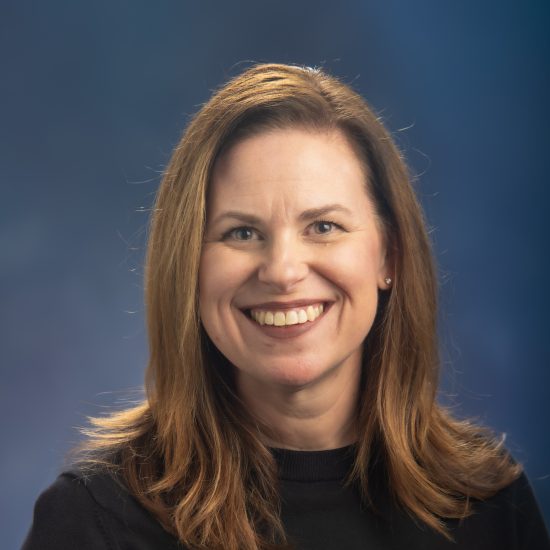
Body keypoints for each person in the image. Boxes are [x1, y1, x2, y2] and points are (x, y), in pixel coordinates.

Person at [23, 63, 549, 550]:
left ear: (389, 254)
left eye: (323, 226)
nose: (281, 270)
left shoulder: (489, 504)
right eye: (242, 232)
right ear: (189, 265)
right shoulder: (95, 520)